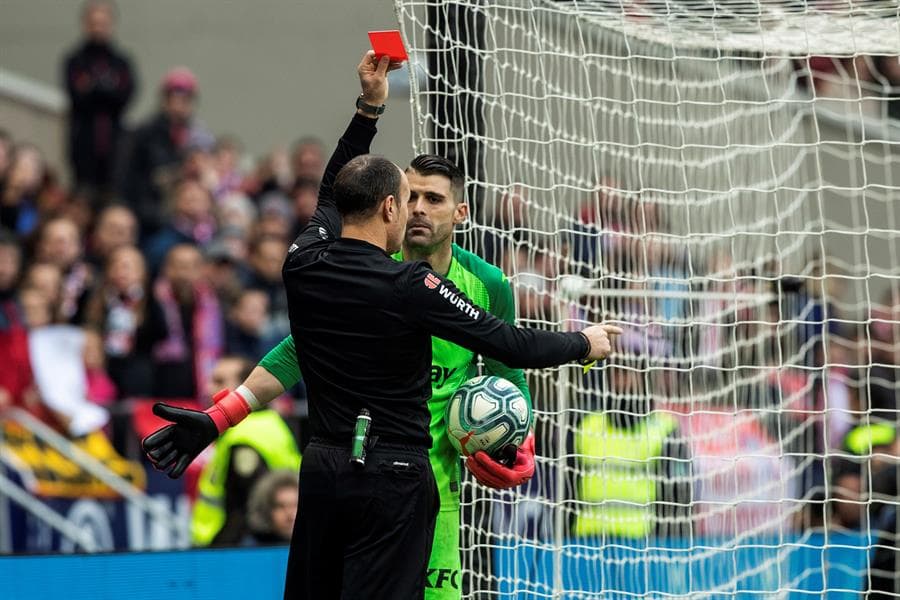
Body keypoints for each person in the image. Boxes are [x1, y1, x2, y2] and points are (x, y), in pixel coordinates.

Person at [142, 51, 620, 600]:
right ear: (390, 206)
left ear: (459, 214)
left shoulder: (312, 261)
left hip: (390, 477)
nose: (418, 209)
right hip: (396, 476)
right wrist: (584, 342)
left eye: (434, 200)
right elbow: (502, 340)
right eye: (410, 196)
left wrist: (520, 434)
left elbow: (508, 372)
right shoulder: (406, 285)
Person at [191, 356, 300, 547]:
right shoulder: (271, 422)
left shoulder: (244, 437)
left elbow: (245, 510)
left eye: (219, 381)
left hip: (239, 551)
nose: (208, 389)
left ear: (247, 387)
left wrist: (220, 549)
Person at [117, 66, 212, 238]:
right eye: (175, 99)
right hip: (150, 213)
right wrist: (183, 171)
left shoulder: (197, 134)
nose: (179, 106)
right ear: (165, 100)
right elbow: (145, 177)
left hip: (182, 215)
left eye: (185, 100)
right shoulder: (145, 132)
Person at [61, 0, 136, 197]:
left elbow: (125, 96)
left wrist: (93, 88)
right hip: (82, 145)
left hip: (114, 147)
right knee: (83, 199)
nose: (98, 27)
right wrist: (106, 89)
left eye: (103, 22)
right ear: (85, 24)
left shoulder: (121, 62)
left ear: (111, 24)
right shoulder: (75, 60)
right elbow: (76, 95)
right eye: (94, 22)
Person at [244, 469, 300, 546]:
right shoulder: (249, 549)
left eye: (296, 505)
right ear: (265, 511)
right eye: (280, 506)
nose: (290, 515)